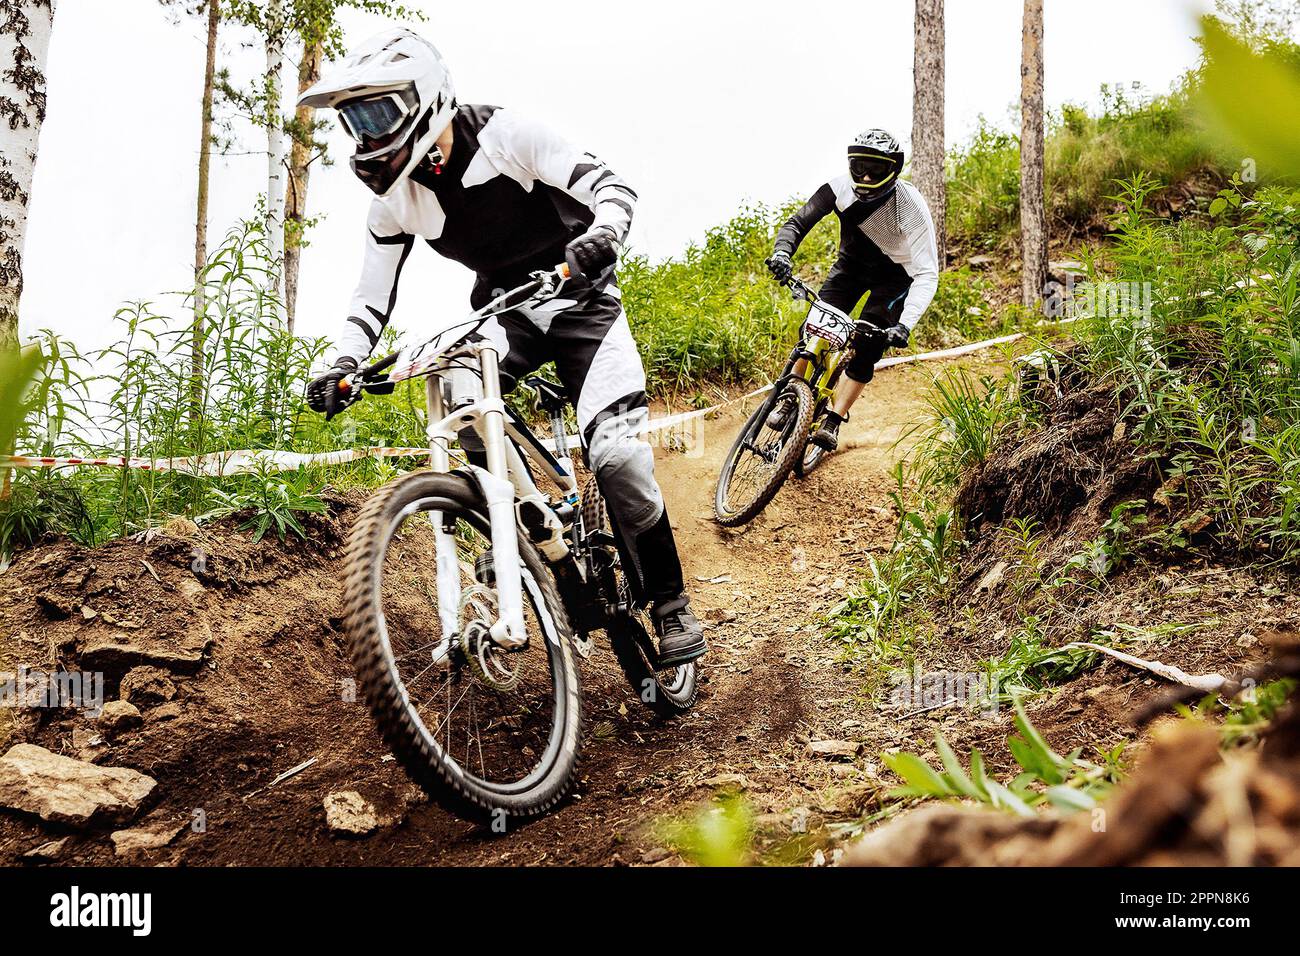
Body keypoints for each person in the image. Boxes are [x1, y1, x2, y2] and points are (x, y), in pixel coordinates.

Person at [302, 28, 705, 666]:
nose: (367, 137)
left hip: (582, 302)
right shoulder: (394, 201)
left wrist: (602, 235)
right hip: (505, 312)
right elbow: (369, 297)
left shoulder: (508, 136)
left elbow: (612, 186)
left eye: (377, 114)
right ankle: (514, 527)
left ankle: (670, 600)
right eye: (355, 123)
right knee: (458, 395)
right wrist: (343, 363)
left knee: (621, 459)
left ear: (424, 98)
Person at [766, 129, 939, 451]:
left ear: (894, 169)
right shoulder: (838, 187)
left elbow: (928, 274)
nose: (867, 175)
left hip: (895, 279)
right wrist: (781, 253)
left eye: (876, 168)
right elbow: (797, 223)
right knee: (814, 332)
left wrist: (905, 325)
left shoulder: (911, 205)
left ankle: (833, 417)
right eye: (859, 166)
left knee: (868, 347)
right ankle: (791, 395)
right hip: (850, 271)